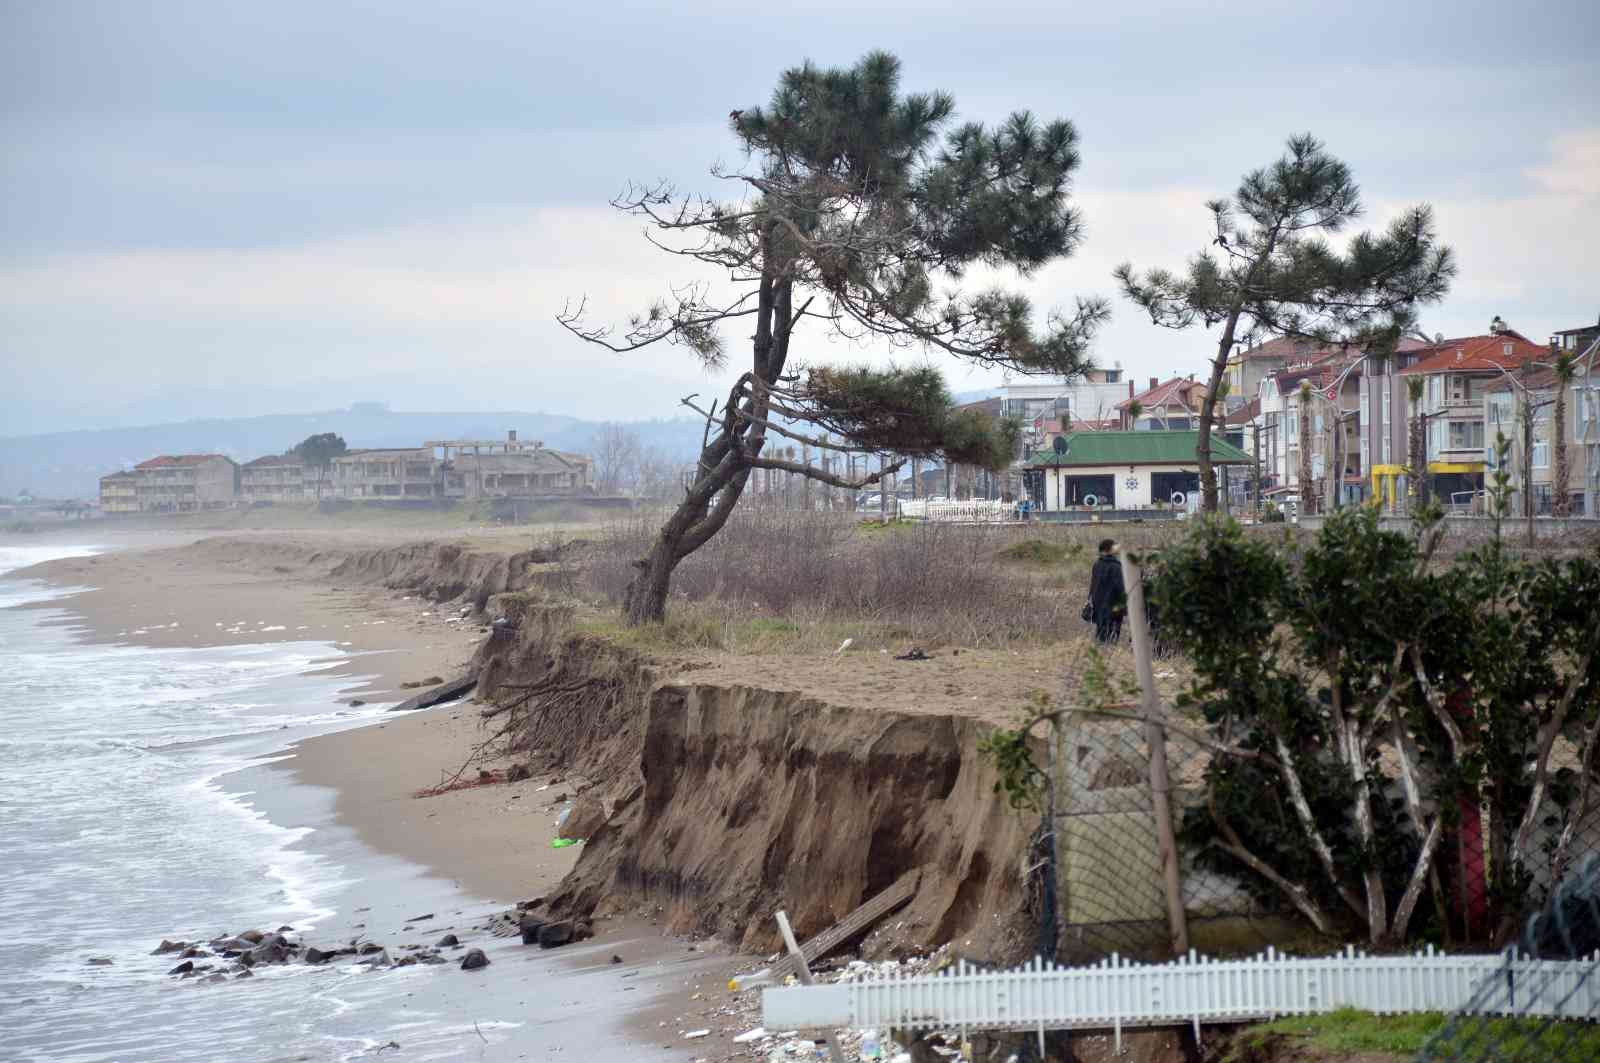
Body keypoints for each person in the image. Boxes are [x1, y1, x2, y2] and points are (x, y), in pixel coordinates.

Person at [1087, 538, 1125, 643]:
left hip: (1098, 604)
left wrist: (1091, 601)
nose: (1117, 547)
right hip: (1114, 606)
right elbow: (1121, 588)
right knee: (1113, 635)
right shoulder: (1116, 567)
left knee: (1101, 634)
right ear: (1109, 549)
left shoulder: (1097, 564)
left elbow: (1093, 586)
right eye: (1114, 545)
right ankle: (1108, 654)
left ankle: (1101, 652)